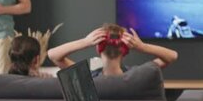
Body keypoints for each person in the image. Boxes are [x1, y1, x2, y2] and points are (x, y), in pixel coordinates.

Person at [48, 23, 178, 76]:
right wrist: (142, 47)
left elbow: (53, 55)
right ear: (125, 50)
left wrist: (85, 42)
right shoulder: (139, 75)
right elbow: (172, 56)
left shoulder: (87, 78)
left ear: (99, 48)